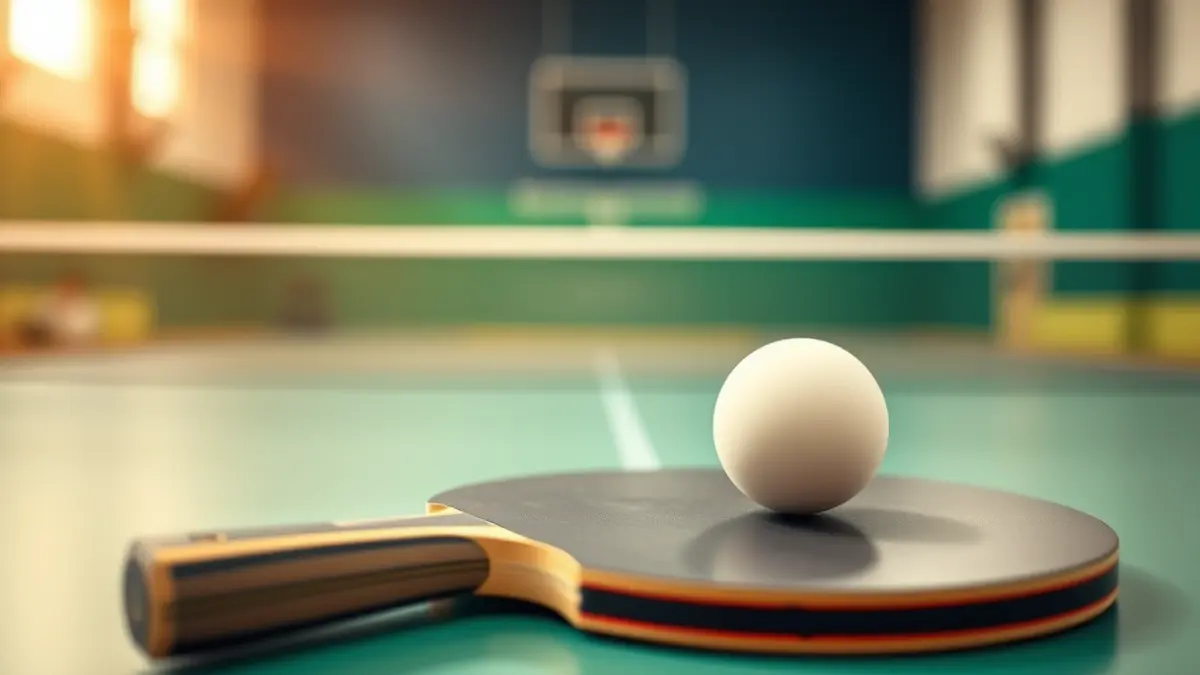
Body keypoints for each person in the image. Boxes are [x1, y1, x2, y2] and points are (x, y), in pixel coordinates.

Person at [17, 272, 102, 349]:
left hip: (76, 349)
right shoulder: (47, 299)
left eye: (74, 285)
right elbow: (33, 323)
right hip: (42, 348)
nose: (69, 288)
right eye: (66, 284)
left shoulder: (88, 306)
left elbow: (89, 333)